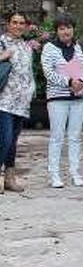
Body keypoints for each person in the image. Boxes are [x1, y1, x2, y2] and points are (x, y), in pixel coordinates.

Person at [41, 14, 83, 188]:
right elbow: (48, 72)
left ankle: (75, 171)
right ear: (57, 31)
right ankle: (54, 174)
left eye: (69, 27)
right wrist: (69, 82)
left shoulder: (81, 46)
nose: (66, 31)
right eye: (62, 28)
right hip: (58, 98)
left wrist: (82, 81)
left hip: (79, 97)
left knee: (75, 136)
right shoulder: (49, 48)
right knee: (57, 136)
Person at [0, 11, 37, 193]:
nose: (18, 26)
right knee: (4, 139)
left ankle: (9, 177)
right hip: (4, 100)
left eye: (21, 23)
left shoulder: (26, 46)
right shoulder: (1, 42)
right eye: (14, 22)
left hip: (22, 101)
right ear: (8, 24)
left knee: (13, 141)